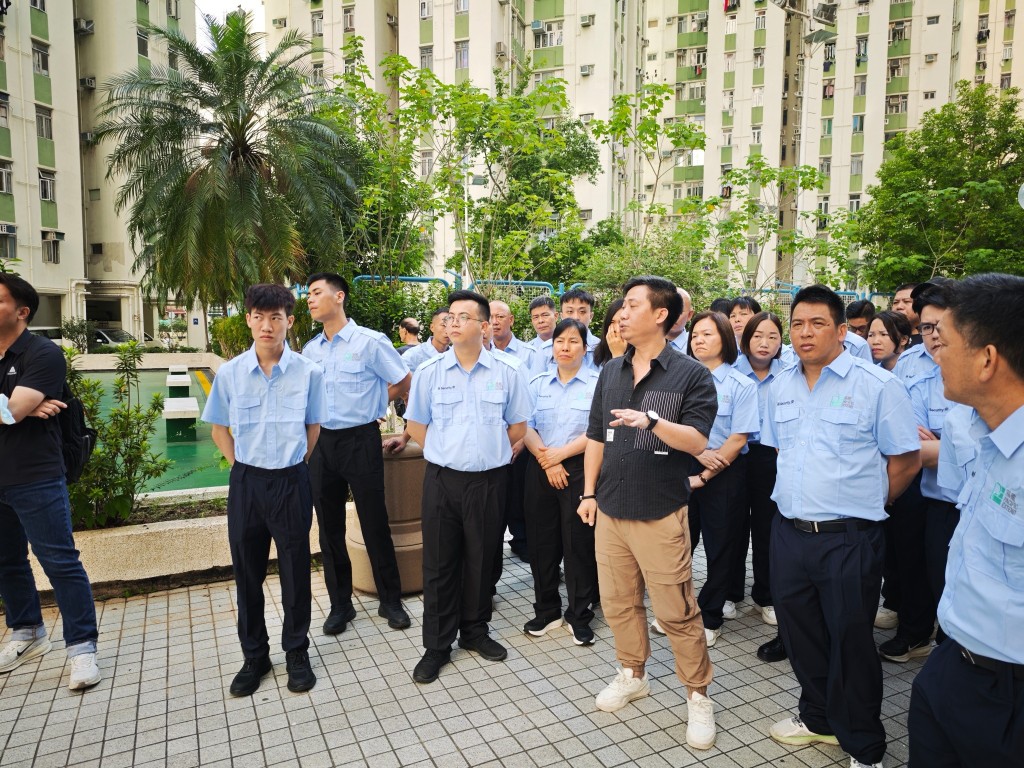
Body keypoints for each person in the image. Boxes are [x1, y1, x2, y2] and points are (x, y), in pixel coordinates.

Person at [761, 285, 920, 768]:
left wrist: (869, 503)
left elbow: (907, 460)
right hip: (788, 532)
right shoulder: (781, 385)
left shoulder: (877, 386)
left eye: (818, 323)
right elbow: (781, 453)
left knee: (851, 641)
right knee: (801, 635)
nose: (805, 333)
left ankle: (864, 746)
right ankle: (818, 719)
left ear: (839, 329)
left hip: (849, 538)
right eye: (798, 324)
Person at [578, 275, 719, 751]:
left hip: (660, 512)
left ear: (661, 315)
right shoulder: (611, 371)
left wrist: (654, 422)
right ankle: (632, 672)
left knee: (677, 611)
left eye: (633, 305)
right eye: (623, 305)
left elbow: (698, 442)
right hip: (611, 509)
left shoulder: (691, 375)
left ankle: (698, 695)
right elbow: (596, 436)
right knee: (618, 603)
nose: (621, 313)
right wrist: (589, 493)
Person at [908, 273, 1024, 768]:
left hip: (1009, 694)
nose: (935, 353)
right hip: (953, 662)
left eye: (945, 341)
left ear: (987, 360)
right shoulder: (984, 434)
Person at [203, 284, 328, 696]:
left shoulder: (309, 372)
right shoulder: (231, 373)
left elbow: (314, 426)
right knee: (247, 574)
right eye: (259, 316)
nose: (267, 325)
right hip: (247, 483)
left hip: (292, 480)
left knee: (295, 571)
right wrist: (242, 466)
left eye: (276, 317)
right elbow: (219, 427)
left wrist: (297, 464)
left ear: (290, 321)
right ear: (248, 320)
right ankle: (254, 656)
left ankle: (296, 652)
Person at [404, 290, 532, 684]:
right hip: (442, 480)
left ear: (483, 325)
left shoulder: (508, 373)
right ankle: (437, 646)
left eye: (463, 316)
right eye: (449, 317)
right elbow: (416, 426)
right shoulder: (430, 373)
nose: (453, 323)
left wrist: (484, 454)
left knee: (483, 559)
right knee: (439, 564)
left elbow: (518, 427)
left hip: (490, 481)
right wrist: (448, 452)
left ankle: (475, 632)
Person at [0, 275, 101, 692]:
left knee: (59, 561)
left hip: (35, 474)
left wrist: (18, 407)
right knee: (6, 561)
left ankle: (82, 648)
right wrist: (13, 406)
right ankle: (26, 631)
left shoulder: (43, 353)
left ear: (22, 311)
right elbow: (13, 409)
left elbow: (15, 411)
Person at [302, 273, 413, 635]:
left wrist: (377, 401)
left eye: (316, 293)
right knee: (329, 527)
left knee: (374, 521)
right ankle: (340, 605)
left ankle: (390, 600)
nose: (310, 299)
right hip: (321, 443)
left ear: (339, 297)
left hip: (360, 440)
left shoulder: (369, 341)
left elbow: (402, 377)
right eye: (308, 294)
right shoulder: (310, 349)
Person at [682, 311, 759, 646]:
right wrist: (696, 463)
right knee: (678, 545)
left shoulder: (741, 384)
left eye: (707, 335)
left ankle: (710, 615)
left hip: (724, 474)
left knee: (721, 547)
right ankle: (680, 611)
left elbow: (738, 438)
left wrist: (705, 474)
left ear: (725, 339)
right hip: (682, 470)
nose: (699, 340)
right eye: (695, 335)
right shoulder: (679, 381)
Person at [522, 318, 600, 646]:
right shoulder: (537, 383)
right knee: (541, 544)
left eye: (573, 342)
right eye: (559, 341)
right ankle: (547, 609)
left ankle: (579, 614)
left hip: (581, 467)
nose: (565, 347)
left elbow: (598, 432)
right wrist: (546, 460)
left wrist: (560, 456)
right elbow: (524, 424)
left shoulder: (597, 383)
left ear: (585, 348)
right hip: (540, 466)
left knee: (578, 544)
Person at [903, 282, 960, 654]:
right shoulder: (910, 365)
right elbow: (909, 444)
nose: (933, 335)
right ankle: (921, 634)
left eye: (941, 325)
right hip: (926, 493)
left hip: (969, 501)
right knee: (920, 571)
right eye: (926, 327)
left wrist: (941, 445)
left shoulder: (984, 367)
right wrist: (937, 445)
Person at [734, 312, 790, 650]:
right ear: (746, 339)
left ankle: (765, 595)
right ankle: (729, 591)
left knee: (768, 529)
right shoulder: (732, 374)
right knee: (734, 526)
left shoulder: (788, 375)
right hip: (736, 455)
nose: (765, 343)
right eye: (758, 336)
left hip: (773, 457)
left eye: (772, 336)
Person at [489, 300, 537, 563]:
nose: (495, 321)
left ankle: (522, 542)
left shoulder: (530, 354)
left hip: (522, 438)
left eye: (500, 316)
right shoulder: (478, 355)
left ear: (511, 321)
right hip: (491, 442)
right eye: (491, 317)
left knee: (519, 495)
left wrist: (520, 440)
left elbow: (535, 400)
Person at [403, 306, 450, 374]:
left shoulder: (457, 356)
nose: (447, 330)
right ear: (432, 327)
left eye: (451, 326)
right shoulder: (413, 356)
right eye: (443, 325)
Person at [592, 299, 627, 368]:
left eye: (621, 322)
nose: (617, 328)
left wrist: (618, 354)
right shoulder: (596, 353)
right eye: (612, 322)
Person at [667, 288, 694, 353]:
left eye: (678, 311)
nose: (672, 316)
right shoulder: (645, 342)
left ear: (689, 315)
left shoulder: (696, 347)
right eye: (668, 310)